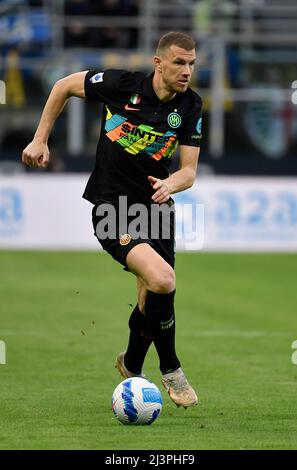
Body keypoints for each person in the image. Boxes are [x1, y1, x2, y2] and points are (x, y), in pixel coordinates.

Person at [22, 31, 202, 408]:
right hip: (111, 207)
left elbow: (188, 172)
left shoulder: (190, 106)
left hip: (155, 208)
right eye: (179, 63)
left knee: (149, 297)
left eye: (191, 64)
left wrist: (170, 183)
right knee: (163, 279)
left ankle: (132, 363)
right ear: (159, 63)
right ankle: (171, 369)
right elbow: (63, 86)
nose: (187, 71)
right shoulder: (122, 84)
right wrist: (40, 139)